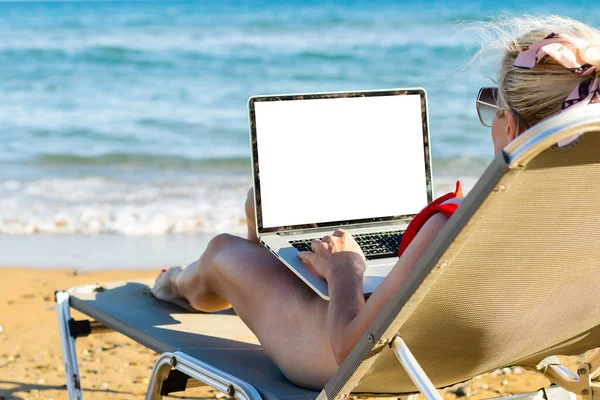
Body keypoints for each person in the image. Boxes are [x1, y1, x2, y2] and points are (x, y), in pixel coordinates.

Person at [152, 15, 600, 390]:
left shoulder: (455, 228)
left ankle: (177, 284)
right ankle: (261, 278)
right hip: (478, 347)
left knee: (222, 251)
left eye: (493, 107)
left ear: (510, 123)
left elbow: (349, 348)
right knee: (260, 207)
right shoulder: (575, 215)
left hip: (335, 356)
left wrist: (346, 271)